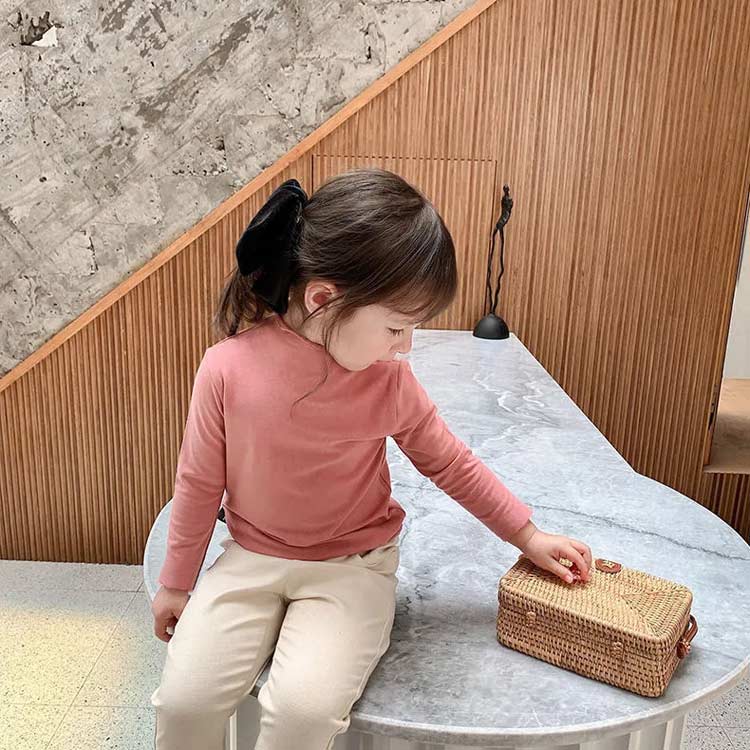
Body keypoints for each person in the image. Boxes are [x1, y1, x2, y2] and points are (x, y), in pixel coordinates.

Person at [149, 167, 593, 750]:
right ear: (323, 299)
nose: (405, 346)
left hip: (352, 567)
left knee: (302, 713)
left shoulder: (389, 382)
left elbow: (451, 464)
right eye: (396, 328)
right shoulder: (226, 368)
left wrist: (528, 536)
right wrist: (176, 584)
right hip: (250, 558)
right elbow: (199, 483)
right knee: (183, 702)